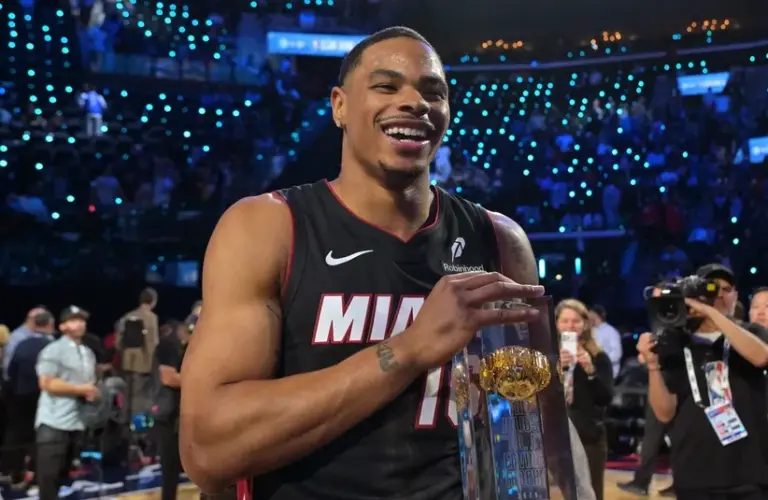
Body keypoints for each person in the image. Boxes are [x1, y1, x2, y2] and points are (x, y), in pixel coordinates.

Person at [180, 26, 552, 499]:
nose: (414, 102)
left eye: (433, 92)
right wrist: (408, 350)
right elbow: (208, 451)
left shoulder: (500, 241)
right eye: (386, 86)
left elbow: (530, 432)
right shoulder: (267, 227)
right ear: (339, 106)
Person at [636, 264, 768, 500]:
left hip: (747, 473)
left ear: (736, 295)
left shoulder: (752, 333)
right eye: (711, 288)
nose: (719, 294)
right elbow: (664, 413)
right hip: (692, 473)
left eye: (726, 289)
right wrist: (653, 366)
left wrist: (711, 312)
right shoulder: (676, 343)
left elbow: (761, 357)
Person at [35, 306, 99, 500]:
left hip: (76, 423)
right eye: (73, 320)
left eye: (81, 320)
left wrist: (94, 393)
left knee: (63, 477)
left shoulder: (88, 353)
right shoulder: (53, 350)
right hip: (53, 423)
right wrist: (81, 390)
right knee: (49, 481)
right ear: (62, 326)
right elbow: (46, 383)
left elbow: (90, 384)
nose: (80, 324)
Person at [617, 284, 674, 497]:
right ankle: (645, 481)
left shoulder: (673, 323)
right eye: (655, 298)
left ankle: (642, 482)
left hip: (670, 384)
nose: (658, 302)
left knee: (657, 436)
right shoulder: (660, 322)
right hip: (660, 383)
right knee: (658, 436)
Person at [556, 299, 614, 500]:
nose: (570, 326)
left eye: (575, 321)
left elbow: (606, 397)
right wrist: (555, 369)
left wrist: (591, 371)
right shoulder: (548, 356)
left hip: (589, 436)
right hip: (556, 435)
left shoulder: (599, 357)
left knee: (591, 493)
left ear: (585, 324)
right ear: (556, 324)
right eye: (565, 321)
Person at [1, 311, 55, 490]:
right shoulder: (53, 346)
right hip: (44, 398)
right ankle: (38, 476)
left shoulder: (21, 344)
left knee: (16, 433)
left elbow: (10, 372)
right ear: (50, 325)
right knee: (42, 437)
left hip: (19, 396)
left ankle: (12, 472)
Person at [155, 320, 191, 500]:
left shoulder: (193, 349)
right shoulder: (167, 346)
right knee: (170, 469)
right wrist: (204, 381)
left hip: (188, 414)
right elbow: (168, 378)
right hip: (169, 416)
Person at [588, 304, 623, 379]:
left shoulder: (611, 331)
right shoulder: (591, 330)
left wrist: (602, 362)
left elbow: (617, 353)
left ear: (596, 315)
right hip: (594, 370)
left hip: (608, 371)